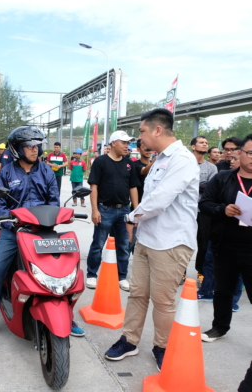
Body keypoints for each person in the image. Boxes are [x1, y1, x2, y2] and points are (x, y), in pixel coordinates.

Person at [104, 108, 199, 372]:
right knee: (137, 294)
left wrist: (130, 217)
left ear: (158, 130)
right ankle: (129, 340)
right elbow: (149, 198)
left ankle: (162, 346)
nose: (139, 138)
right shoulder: (159, 159)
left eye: (142, 131)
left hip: (171, 242)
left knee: (163, 300)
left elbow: (160, 200)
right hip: (147, 238)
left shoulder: (182, 159)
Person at [0, 126, 84, 340]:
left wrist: (57, 216)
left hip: (44, 230)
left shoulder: (47, 171)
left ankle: (67, 316)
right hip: (14, 231)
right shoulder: (6, 172)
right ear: (17, 149)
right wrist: (10, 220)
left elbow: (53, 200)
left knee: (66, 271)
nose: (35, 150)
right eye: (29, 146)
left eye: (37, 146)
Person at [199, 134, 252, 343]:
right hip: (225, 245)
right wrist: (223, 209)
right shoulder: (222, 178)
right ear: (240, 152)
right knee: (222, 290)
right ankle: (219, 327)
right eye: (250, 153)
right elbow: (205, 203)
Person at [86, 130, 139, 291]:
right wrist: (95, 210)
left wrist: (135, 211)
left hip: (124, 211)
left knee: (124, 245)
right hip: (105, 210)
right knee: (98, 244)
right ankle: (91, 274)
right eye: (124, 142)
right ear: (113, 143)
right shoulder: (100, 162)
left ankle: (121, 277)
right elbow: (93, 186)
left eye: (128, 143)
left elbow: (133, 187)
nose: (126, 146)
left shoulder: (129, 164)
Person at [186, 136, 217, 288]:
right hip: (186, 209)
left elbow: (211, 189)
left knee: (203, 243)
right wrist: (201, 185)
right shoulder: (185, 164)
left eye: (206, 143)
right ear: (193, 146)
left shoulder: (212, 168)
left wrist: (192, 184)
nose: (205, 145)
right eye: (201, 142)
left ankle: (201, 272)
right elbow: (181, 184)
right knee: (183, 242)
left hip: (203, 211)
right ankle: (180, 272)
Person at [129, 139, 156, 253]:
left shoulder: (158, 166)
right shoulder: (135, 165)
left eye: (150, 147)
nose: (148, 149)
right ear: (138, 149)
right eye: (145, 147)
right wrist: (156, 160)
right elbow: (144, 171)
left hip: (152, 209)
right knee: (131, 242)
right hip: (138, 207)